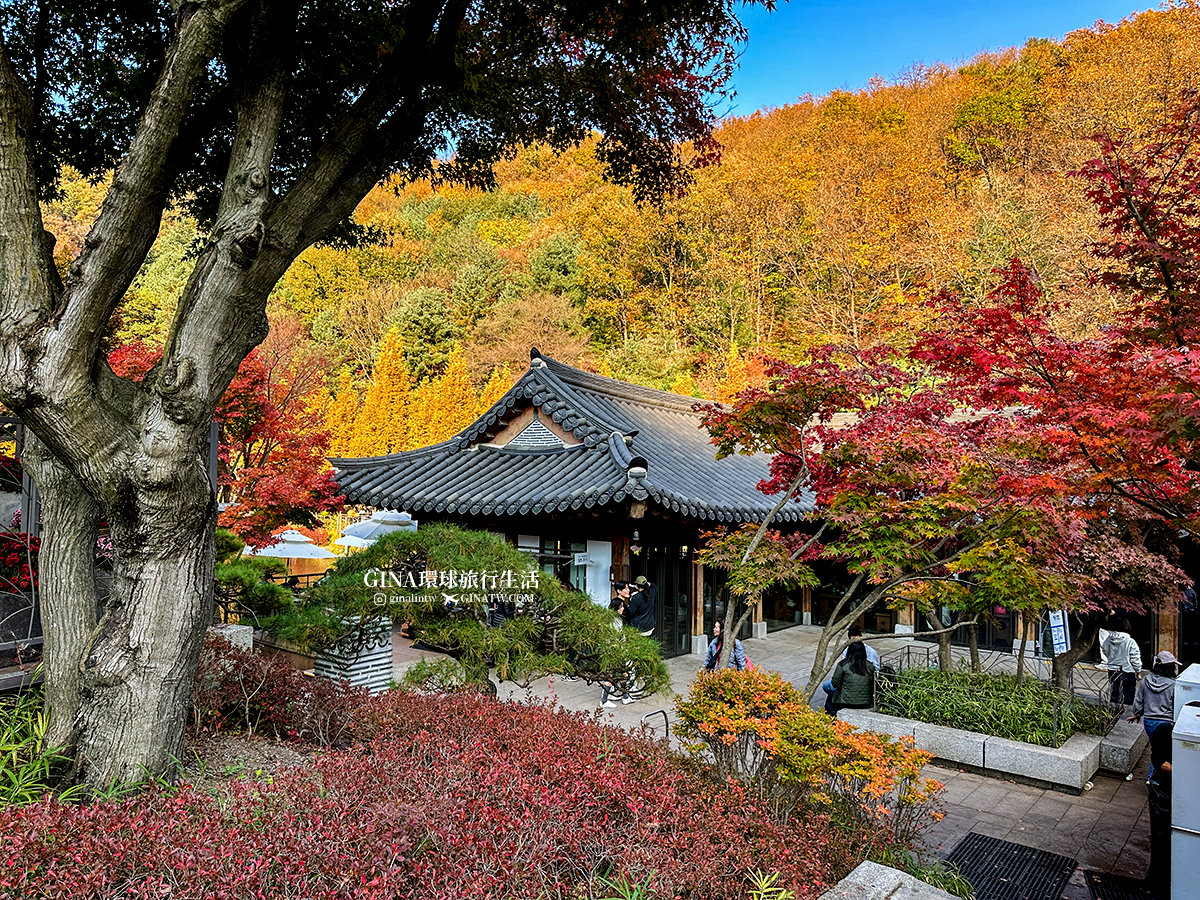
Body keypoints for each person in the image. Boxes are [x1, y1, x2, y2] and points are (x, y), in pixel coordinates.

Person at [1130, 650, 1179, 780]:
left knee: (1156, 749)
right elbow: (1175, 705)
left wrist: (1137, 714)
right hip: (1165, 723)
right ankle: (1153, 779)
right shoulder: (1173, 684)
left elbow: (1139, 701)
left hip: (1149, 722)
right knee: (1161, 753)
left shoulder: (1146, 680)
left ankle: (1153, 779)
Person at [1146, 721, 1173, 900]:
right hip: (1164, 795)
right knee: (1162, 841)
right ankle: (1157, 884)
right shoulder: (1165, 731)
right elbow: (1158, 760)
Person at [821, 626, 879, 700]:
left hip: (860, 681)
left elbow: (836, 682)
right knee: (828, 686)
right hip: (851, 680)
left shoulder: (871, 653)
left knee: (832, 691)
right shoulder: (847, 651)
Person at [825, 641, 876, 716]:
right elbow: (873, 684)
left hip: (845, 702)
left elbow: (835, 683)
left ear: (849, 651)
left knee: (830, 695)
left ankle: (831, 717)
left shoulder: (843, 664)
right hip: (866, 702)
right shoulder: (870, 666)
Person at [1103, 617, 1142, 705]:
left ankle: (1113, 709)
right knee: (1128, 695)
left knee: (1114, 692)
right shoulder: (1130, 641)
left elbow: (1104, 650)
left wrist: (1111, 658)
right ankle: (1126, 711)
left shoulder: (1108, 639)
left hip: (1112, 670)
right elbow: (1135, 658)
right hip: (1127, 671)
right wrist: (1138, 671)